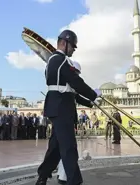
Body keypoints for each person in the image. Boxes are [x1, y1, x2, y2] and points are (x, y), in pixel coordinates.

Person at [36, 30, 101, 185]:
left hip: (58, 106)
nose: (73, 49)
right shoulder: (61, 60)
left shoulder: (54, 61)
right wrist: (93, 93)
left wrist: (91, 102)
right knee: (69, 147)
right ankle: (74, 181)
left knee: (56, 147)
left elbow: (72, 93)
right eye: (72, 46)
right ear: (64, 43)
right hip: (61, 108)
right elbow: (75, 82)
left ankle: (42, 176)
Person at [56, 61, 95, 184]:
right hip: (64, 119)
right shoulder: (66, 85)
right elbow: (79, 93)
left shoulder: (70, 86)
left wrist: (90, 103)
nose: (77, 76)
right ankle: (60, 176)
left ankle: (61, 174)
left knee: (65, 149)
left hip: (68, 119)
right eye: (76, 73)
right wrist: (92, 97)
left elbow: (78, 97)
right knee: (67, 149)